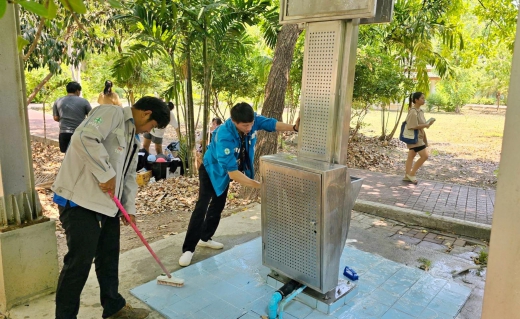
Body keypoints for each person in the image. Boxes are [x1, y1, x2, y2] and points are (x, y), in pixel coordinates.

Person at [51, 97, 171, 319]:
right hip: (79, 200)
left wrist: (129, 208)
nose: (148, 130)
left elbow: (128, 177)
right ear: (146, 113)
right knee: (79, 263)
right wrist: (106, 173)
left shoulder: (133, 138)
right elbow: (84, 138)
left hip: (108, 205)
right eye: (151, 126)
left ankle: (114, 307)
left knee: (108, 257)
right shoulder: (111, 113)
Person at [178, 102, 300, 266]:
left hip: (226, 172)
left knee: (218, 205)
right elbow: (233, 173)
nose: (249, 128)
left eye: (251, 124)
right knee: (202, 205)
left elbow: (270, 123)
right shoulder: (224, 135)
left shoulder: (251, 120)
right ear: (234, 121)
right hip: (211, 170)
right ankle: (188, 249)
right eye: (245, 126)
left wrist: (294, 128)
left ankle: (205, 237)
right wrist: (260, 186)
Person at [403, 92, 435, 184]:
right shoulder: (413, 111)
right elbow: (412, 126)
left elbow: (422, 124)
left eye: (424, 98)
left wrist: (428, 124)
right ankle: (412, 174)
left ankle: (407, 175)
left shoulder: (420, 111)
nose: (424, 100)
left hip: (419, 136)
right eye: (422, 98)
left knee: (411, 156)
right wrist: (425, 125)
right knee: (425, 156)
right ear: (416, 100)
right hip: (415, 138)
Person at [52, 81, 92, 153]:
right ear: (77, 91)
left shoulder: (58, 101)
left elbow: (56, 118)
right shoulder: (84, 101)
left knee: (67, 154)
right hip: (79, 133)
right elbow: (91, 115)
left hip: (64, 133)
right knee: (79, 154)